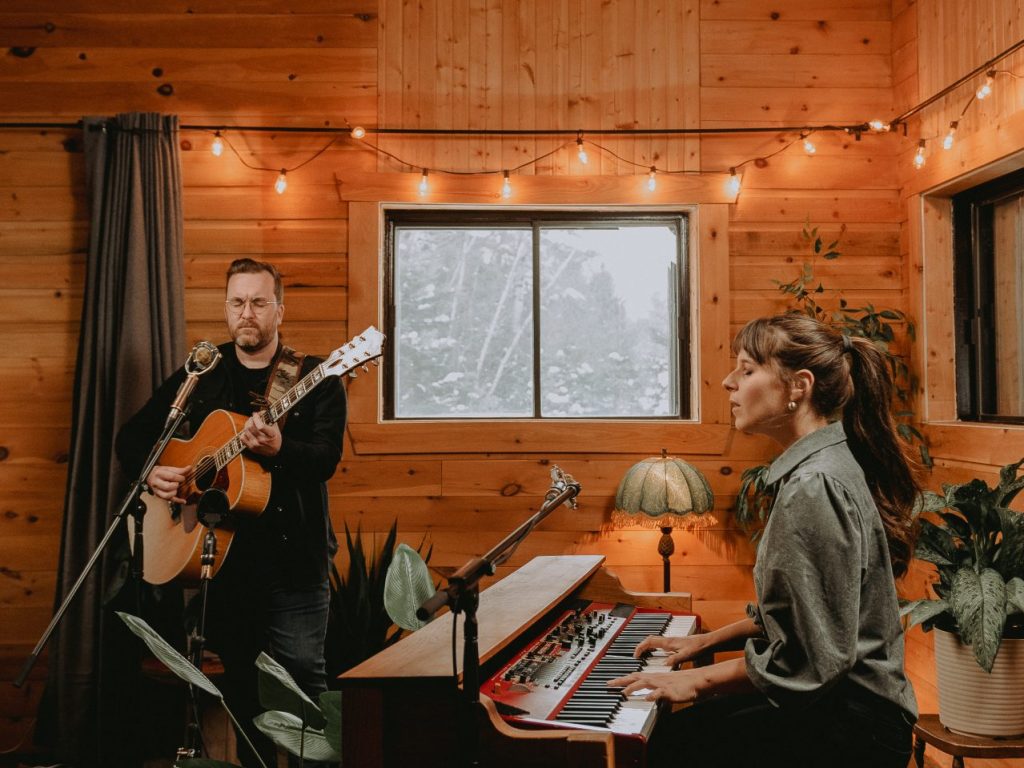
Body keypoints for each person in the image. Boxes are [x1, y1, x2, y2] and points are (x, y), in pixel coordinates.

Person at [610, 314, 920, 768]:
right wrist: (706, 641)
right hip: (854, 709)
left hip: (855, 723)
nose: (727, 382)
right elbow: (802, 617)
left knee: (669, 743)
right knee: (682, 730)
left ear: (799, 386)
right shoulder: (827, 464)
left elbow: (810, 660)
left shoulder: (814, 486)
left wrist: (697, 682)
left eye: (747, 368)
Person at [116, 258, 346, 767]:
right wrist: (153, 473)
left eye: (259, 302)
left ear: (278, 310)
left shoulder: (316, 377)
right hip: (222, 564)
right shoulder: (203, 372)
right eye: (238, 302)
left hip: (295, 563)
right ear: (226, 309)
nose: (248, 313)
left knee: (305, 686)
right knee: (241, 689)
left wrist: (281, 445)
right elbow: (134, 437)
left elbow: (325, 460)